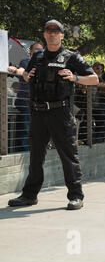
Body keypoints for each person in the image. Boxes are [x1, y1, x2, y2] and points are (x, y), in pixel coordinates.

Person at [7, 19, 99, 210]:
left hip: (61, 112)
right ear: (44, 34)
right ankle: (29, 195)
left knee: (68, 156)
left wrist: (75, 77)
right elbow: (27, 75)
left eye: (56, 31)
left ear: (62, 35)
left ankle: (76, 196)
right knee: (35, 156)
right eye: (48, 31)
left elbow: (94, 79)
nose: (52, 34)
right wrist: (22, 73)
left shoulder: (71, 57)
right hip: (38, 112)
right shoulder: (38, 56)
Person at [10, 42, 44, 152]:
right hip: (25, 100)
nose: (39, 52)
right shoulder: (25, 62)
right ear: (30, 51)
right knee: (24, 127)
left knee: (35, 128)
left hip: (38, 101)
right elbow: (28, 73)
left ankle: (31, 149)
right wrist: (16, 70)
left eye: (41, 50)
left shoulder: (44, 64)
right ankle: (23, 151)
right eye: (37, 49)